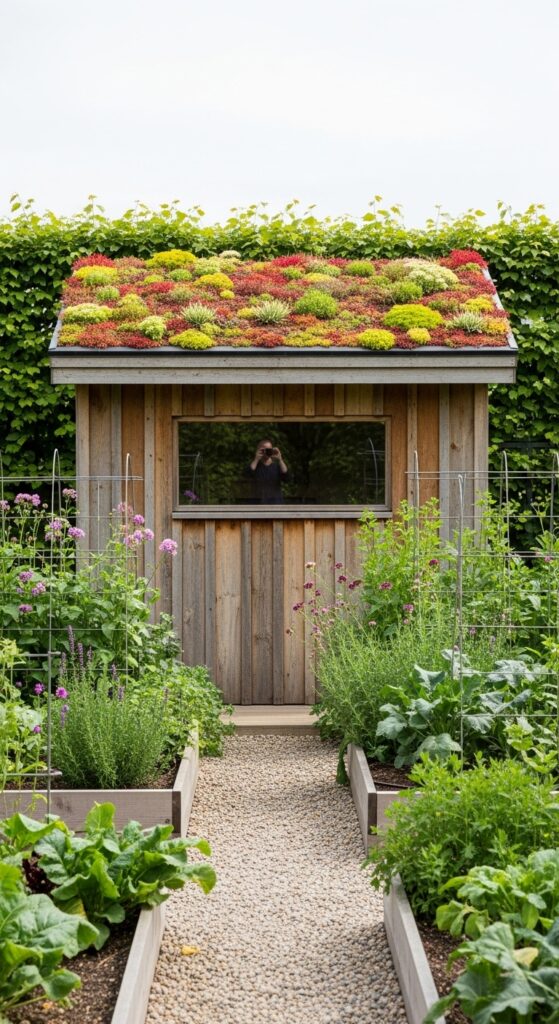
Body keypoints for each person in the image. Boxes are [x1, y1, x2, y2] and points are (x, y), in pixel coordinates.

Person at [245, 439, 289, 504]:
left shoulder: (277, 467)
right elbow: (247, 475)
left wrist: (280, 459)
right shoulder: (254, 466)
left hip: (275, 504)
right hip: (257, 504)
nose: (266, 452)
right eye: (263, 450)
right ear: (258, 450)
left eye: (269, 450)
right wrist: (256, 459)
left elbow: (286, 477)